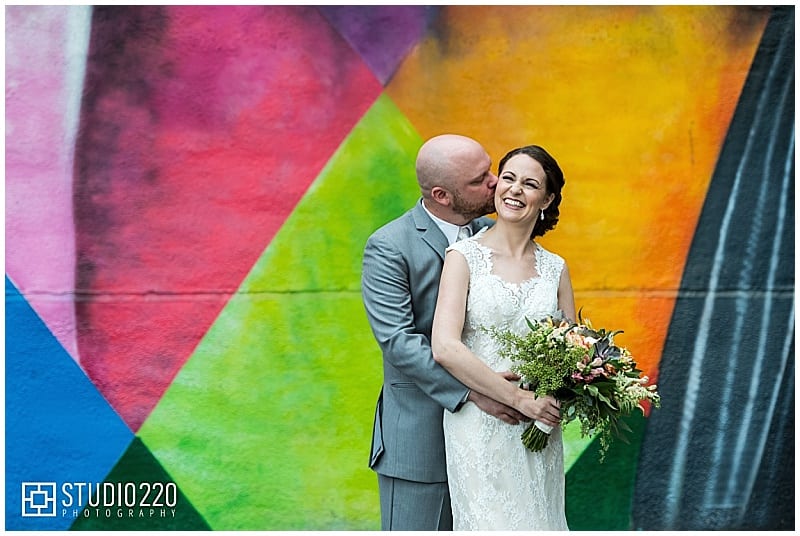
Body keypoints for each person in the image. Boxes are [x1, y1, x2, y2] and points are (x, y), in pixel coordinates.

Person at [361, 134, 530, 531]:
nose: (495, 181)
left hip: (498, 436)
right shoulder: (389, 246)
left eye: (490, 168)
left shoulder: (497, 233)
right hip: (422, 439)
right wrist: (476, 391)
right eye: (478, 180)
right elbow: (398, 343)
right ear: (442, 195)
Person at [431, 144, 576, 530]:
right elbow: (445, 347)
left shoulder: (555, 268)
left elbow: (573, 350)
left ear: (546, 199)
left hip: (539, 428)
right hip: (480, 425)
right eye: (508, 178)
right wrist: (515, 398)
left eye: (530, 184)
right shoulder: (462, 257)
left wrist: (549, 399)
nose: (514, 190)